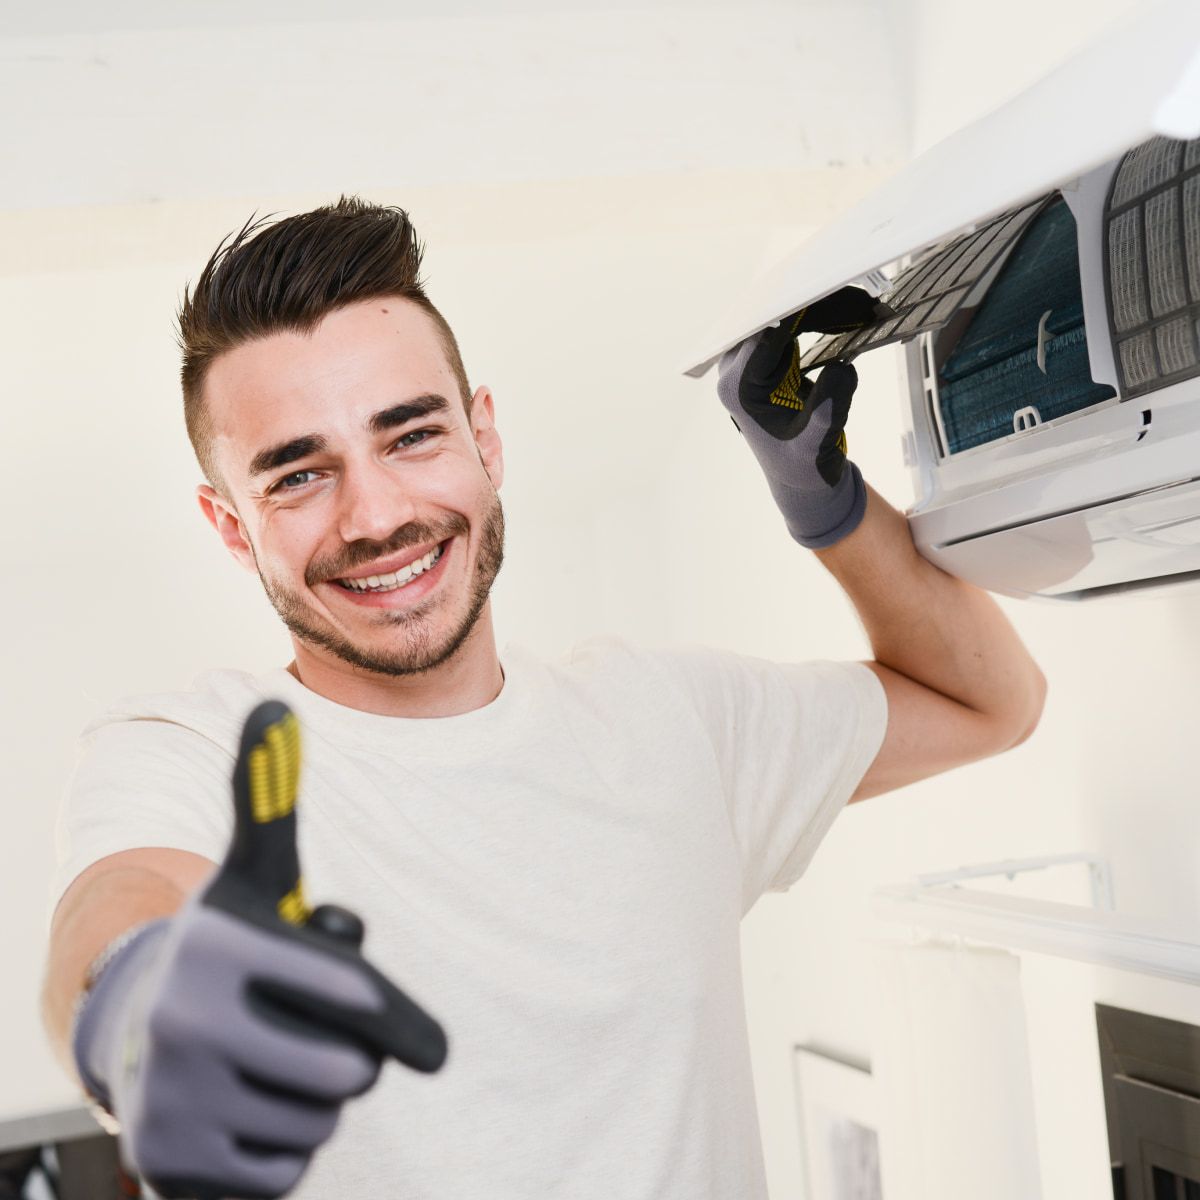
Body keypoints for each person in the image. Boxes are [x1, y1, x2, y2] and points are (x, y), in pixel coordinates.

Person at [40, 197, 1046, 1199]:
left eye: (410, 435)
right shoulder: (195, 755)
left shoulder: (672, 725)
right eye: (299, 476)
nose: (377, 514)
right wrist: (143, 1007)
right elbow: (116, 902)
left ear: (486, 439)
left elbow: (987, 701)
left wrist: (829, 504)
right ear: (230, 528)